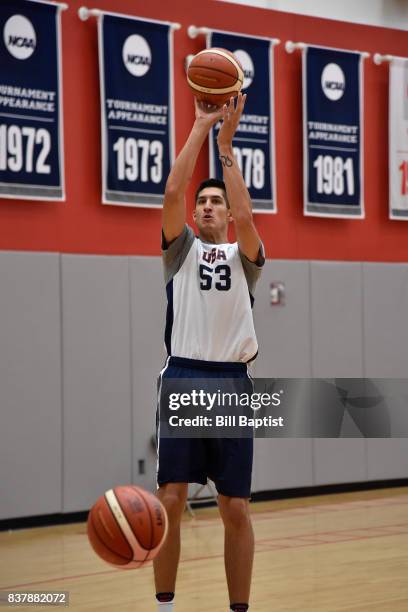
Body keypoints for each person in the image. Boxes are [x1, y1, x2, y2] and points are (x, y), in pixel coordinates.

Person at [154, 92, 264, 612]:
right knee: (170, 500)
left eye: (214, 201)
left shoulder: (246, 258)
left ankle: (238, 608)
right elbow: (174, 189)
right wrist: (199, 126)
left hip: (231, 381)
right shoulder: (181, 250)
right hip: (184, 374)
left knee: (234, 506)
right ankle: (165, 606)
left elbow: (245, 209)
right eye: (203, 202)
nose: (206, 206)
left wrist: (226, 146)